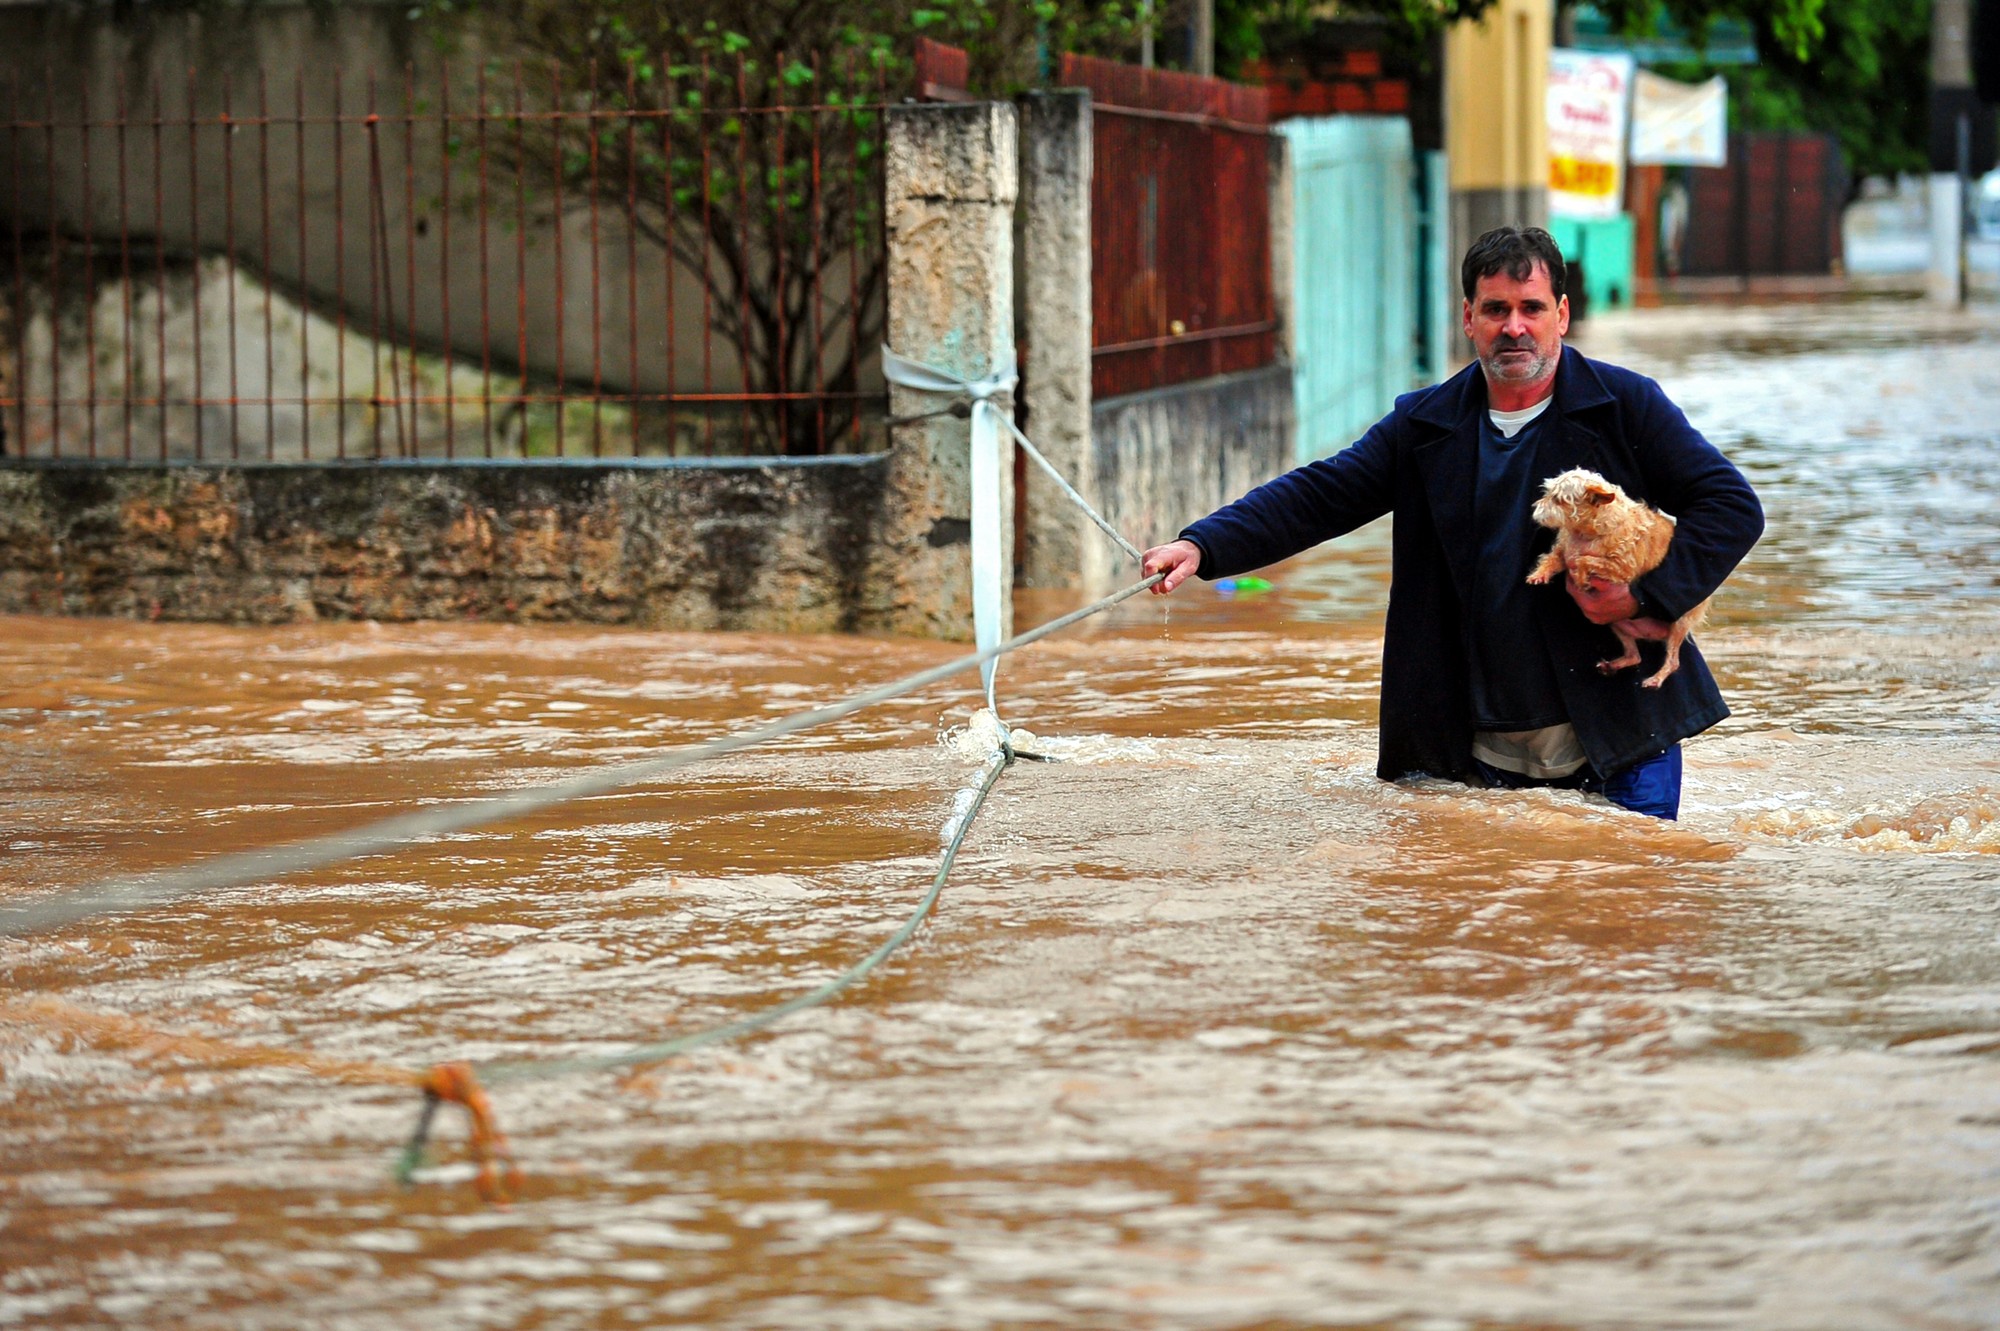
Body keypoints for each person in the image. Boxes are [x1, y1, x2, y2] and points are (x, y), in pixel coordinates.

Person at [1140, 226, 1763, 819]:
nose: (1513, 328)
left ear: (1563, 316)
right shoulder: (1426, 424)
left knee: (1626, 896)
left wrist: (1647, 596)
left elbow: (1731, 506)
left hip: (1623, 726)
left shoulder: (1626, 407)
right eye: (1495, 309)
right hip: (1475, 743)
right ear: (1468, 319)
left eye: (1532, 308)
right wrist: (1204, 544)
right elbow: (1322, 493)